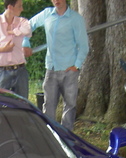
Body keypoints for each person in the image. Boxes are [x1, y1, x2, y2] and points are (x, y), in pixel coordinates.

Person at [23, 0, 89, 130]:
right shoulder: (46, 14)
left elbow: (84, 46)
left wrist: (76, 65)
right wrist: (25, 43)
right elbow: (27, 26)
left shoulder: (75, 19)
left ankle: (67, 136)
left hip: (69, 69)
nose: (56, 1)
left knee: (70, 106)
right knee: (48, 105)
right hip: (51, 68)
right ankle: (49, 135)